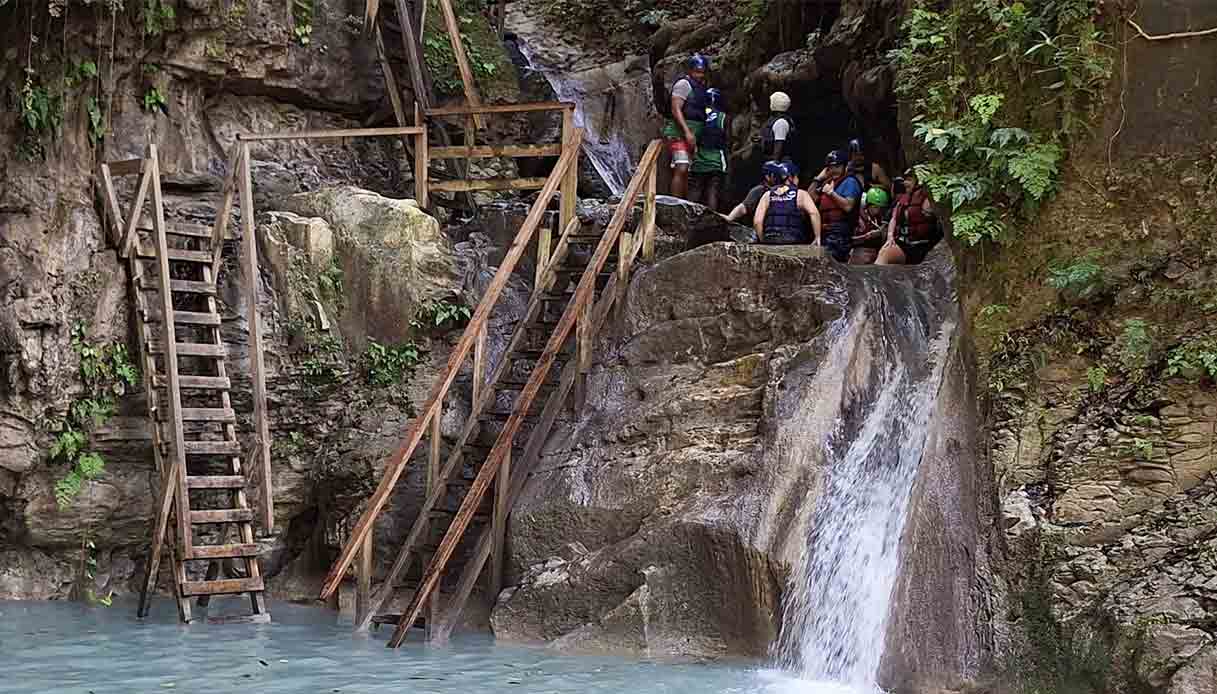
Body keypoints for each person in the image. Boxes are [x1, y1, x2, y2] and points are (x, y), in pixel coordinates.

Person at [661, 54, 711, 200]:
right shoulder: (683, 84)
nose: (699, 75)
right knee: (681, 167)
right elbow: (676, 109)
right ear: (690, 71)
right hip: (679, 133)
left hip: (694, 133)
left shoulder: (702, 87)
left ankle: (683, 202)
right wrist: (687, 132)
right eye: (697, 71)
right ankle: (675, 202)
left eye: (702, 72)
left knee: (687, 171)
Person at [878, 167, 939, 265]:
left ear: (919, 182)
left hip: (923, 247)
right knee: (884, 253)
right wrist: (890, 237)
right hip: (904, 245)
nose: (905, 183)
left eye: (909, 180)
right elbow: (893, 219)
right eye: (905, 180)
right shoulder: (902, 200)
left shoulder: (928, 199)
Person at [810, 150, 862, 262]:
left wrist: (831, 193)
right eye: (831, 167)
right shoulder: (827, 182)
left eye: (837, 167)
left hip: (840, 233)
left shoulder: (850, 182)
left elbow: (848, 206)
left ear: (844, 166)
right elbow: (809, 198)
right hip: (824, 231)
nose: (834, 170)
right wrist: (818, 179)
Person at [754, 162, 821, 245]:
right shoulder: (801, 194)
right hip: (793, 239)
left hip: (771, 238)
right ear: (790, 177)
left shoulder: (767, 195)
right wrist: (817, 237)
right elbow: (814, 213)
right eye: (796, 177)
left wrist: (763, 240)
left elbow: (757, 221)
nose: (798, 180)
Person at [689, 88, 728, 211]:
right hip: (716, 159)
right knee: (713, 190)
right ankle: (713, 219)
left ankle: (687, 216)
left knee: (696, 187)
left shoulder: (698, 115)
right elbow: (727, 139)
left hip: (698, 158)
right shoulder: (723, 117)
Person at [850, 187, 891, 264]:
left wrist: (881, 233)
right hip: (859, 253)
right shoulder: (858, 218)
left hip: (875, 255)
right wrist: (865, 236)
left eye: (880, 208)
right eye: (875, 207)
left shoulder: (880, 219)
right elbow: (849, 240)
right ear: (867, 205)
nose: (877, 211)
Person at [760, 91, 796, 163]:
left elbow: (779, 145)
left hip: (780, 164)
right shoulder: (775, 120)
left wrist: (774, 162)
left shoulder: (781, 122)